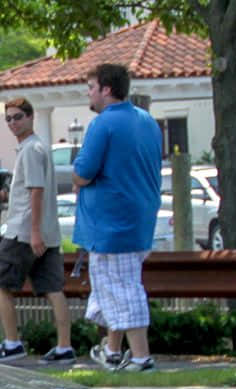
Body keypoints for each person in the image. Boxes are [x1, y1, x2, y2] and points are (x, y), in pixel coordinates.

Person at [73, 62, 163, 372]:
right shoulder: (148, 121)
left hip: (111, 225)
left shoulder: (102, 124)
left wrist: (77, 177)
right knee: (112, 288)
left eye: (91, 87)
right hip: (140, 220)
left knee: (124, 289)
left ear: (106, 89)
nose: (89, 94)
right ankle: (112, 351)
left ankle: (141, 358)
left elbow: (83, 173)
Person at [0, 97, 74, 363]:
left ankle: (12, 343)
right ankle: (64, 347)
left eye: (18, 117)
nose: (13, 123)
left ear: (31, 117)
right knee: (52, 287)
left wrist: (34, 232)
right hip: (46, 231)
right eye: (8, 119)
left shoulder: (31, 149)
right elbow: (28, 193)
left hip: (23, 232)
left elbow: (37, 191)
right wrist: (2, 194)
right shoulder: (38, 148)